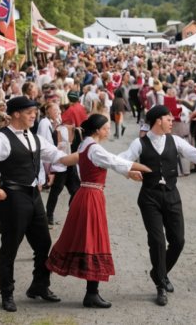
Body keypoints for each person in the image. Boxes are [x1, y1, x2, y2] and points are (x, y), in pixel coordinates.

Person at [0, 96, 80, 312]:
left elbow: (60, 157)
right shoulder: (0, 139)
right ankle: (7, 293)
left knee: (43, 244)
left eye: (35, 112)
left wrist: (89, 152)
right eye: (30, 112)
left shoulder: (34, 137)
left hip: (33, 196)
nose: (34, 115)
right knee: (10, 247)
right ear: (16, 114)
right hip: (12, 197)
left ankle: (39, 286)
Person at [118, 105, 196, 306]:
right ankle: (161, 285)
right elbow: (120, 160)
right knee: (158, 242)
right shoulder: (140, 143)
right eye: (169, 119)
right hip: (149, 197)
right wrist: (128, 172)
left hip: (171, 195)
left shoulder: (175, 140)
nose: (172, 122)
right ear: (158, 121)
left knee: (178, 241)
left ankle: (158, 272)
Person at [46, 114, 150, 308]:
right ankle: (91, 294)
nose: (108, 130)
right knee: (94, 240)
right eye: (106, 127)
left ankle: (44, 280)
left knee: (77, 238)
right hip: (91, 196)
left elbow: (107, 162)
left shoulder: (85, 144)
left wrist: (128, 173)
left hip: (86, 194)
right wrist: (144, 167)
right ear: (97, 130)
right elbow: (112, 161)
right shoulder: (94, 148)